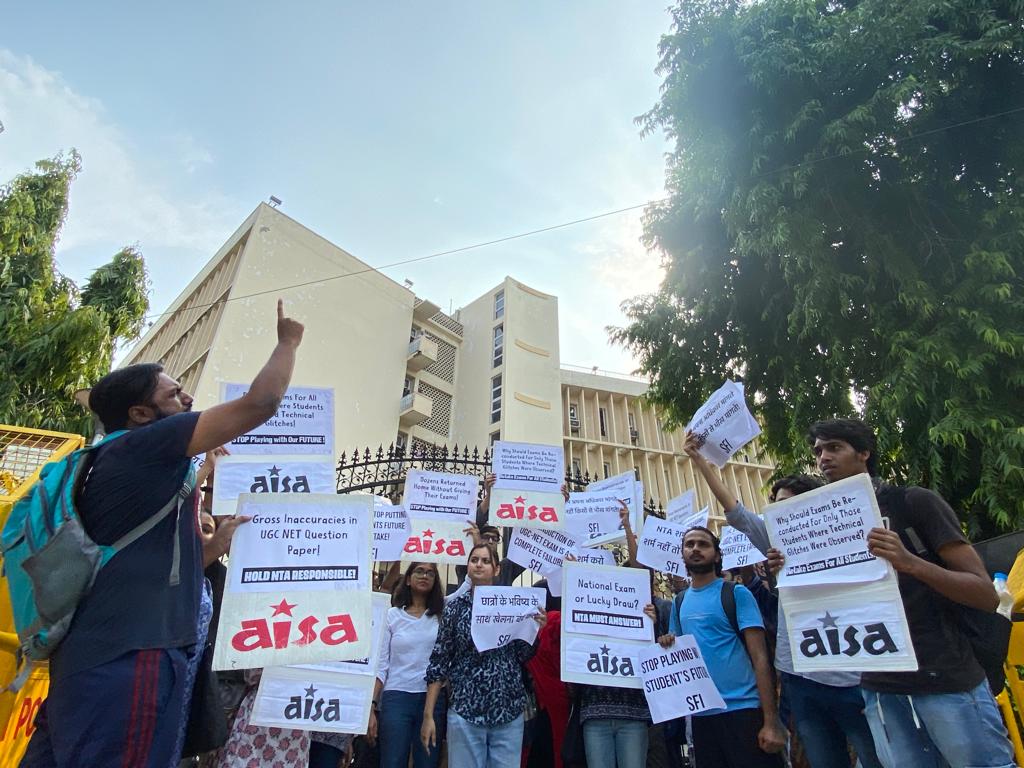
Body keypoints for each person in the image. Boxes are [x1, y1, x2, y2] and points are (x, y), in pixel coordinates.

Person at [22, 299, 304, 768]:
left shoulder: (101, 464)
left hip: (90, 660)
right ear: (139, 414)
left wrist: (212, 544)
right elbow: (262, 403)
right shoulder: (142, 448)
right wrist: (287, 342)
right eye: (175, 394)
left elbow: (144, 563)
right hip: (133, 660)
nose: (189, 400)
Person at [804, 418, 1014, 768]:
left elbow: (985, 594)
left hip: (945, 679)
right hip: (880, 688)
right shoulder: (821, 525)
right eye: (818, 451)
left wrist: (910, 563)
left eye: (834, 447)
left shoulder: (913, 503)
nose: (823, 457)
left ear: (864, 453)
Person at [684, 431, 881, 768]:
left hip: (854, 676)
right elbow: (736, 513)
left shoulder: (848, 533)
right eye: (774, 505)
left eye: (787, 504)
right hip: (800, 679)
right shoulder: (775, 542)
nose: (778, 512)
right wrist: (699, 461)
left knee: (876, 758)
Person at [655, 526, 786, 768]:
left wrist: (771, 721)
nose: (695, 548)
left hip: (744, 711)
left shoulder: (737, 594)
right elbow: (680, 654)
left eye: (703, 544)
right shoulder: (679, 602)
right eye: (689, 544)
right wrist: (667, 643)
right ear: (682, 553)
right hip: (702, 717)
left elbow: (760, 658)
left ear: (716, 555)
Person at [422, 543, 547, 768]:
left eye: (486, 561)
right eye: (474, 560)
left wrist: (537, 631)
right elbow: (439, 661)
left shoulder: (513, 605)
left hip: (508, 711)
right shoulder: (455, 608)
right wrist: (428, 714)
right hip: (465, 712)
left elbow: (523, 654)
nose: (479, 564)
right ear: (468, 566)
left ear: (497, 569)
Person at [369, 562, 449, 768]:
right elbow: (381, 665)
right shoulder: (392, 615)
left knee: (427, 761)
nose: (425, 576)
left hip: (432, 699)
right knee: (392, 761)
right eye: (419, 571)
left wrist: (475, 541)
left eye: (430, 573)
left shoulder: (442, 615)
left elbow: (470, 585)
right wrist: (372, 706)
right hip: (396, 697)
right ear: (407, 578)